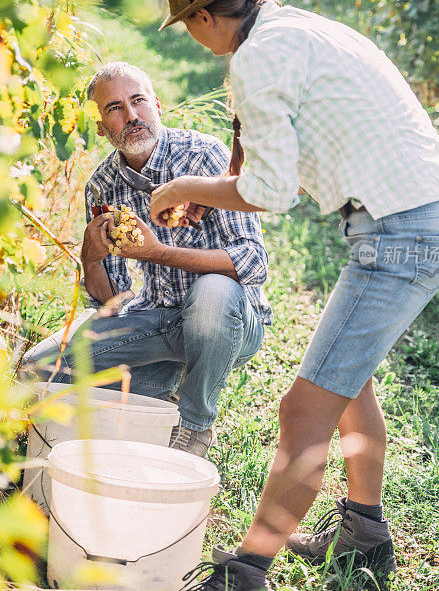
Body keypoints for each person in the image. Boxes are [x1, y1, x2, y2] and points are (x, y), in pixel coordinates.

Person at [150, 0, 439, 591]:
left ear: (205, 16)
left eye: (188, 24)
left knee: (302, 411)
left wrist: (182, 184)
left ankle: (243, 588)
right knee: (345, 376)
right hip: (427, 211)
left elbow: (269, 189)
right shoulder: (300, 29)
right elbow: (266, 165)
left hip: (404, 231)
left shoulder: (260, 55)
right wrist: (212, 188)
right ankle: (365, 537)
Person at [24, 60, 271, 457]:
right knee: (39, 371)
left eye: (138, 101)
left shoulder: (203, 158)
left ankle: (194, 426)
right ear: (103, 128)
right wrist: (90, 261)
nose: (132, 115)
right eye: (114, 108)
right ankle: (162, 390)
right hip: (157, 319)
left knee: (213, 292)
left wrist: (159, 253)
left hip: (229, 320)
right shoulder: (103, 185)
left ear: (157, 105)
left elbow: (252, 263)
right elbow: (112, 302)